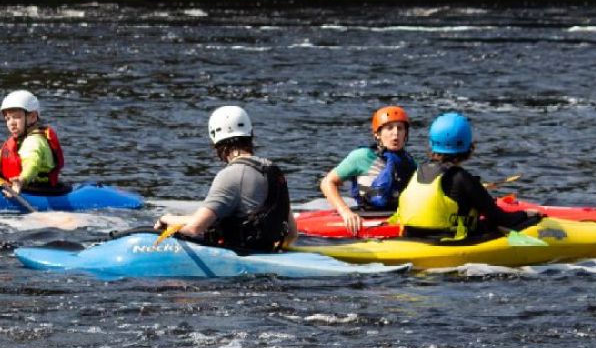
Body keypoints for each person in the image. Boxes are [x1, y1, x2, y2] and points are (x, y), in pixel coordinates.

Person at [154, 105, 297, 251]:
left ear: (216, 141)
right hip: (267, 252)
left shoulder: (230, 175)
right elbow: (292, 233)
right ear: (250, 134)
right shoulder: (274, 171)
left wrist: (164, 220)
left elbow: (195, 228)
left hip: (240, 259)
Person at [391, 112, 538, 240]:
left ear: (432, 144)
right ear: (468, 147)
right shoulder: (462, 178)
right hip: (448, 241)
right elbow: (501, 219)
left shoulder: (417, 172)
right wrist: (526, 215)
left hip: (410, 237)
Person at [319, 104, 416, 235]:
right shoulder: (362, 156)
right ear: (378, 134)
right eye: (389, 128)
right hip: (367, 216)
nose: (396, 133)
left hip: (396, 217)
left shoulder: (410, 162)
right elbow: (327, 183)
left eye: (400, 128)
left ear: (406, 134)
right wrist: (345, 212)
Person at [0, 90, 64, 193]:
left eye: (16, 117)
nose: (11, 123)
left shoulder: (34, 142)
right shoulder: (21, 139)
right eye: (8, 118)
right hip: (22, 182)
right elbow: (2, 154)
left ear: (32, 117)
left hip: (34, 187)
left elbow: (32, 164)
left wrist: (21, 180)